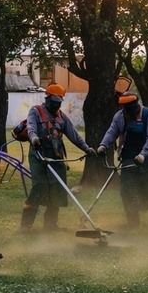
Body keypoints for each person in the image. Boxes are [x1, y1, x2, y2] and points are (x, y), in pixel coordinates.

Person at [22, 83, 95, 230]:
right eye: (54, 103)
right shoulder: (36, 111)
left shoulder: (62, 118)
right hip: (39, 156)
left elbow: (74, 136)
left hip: (56, 156)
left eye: (58, 103)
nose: (56, 106)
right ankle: (26, 225)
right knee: (39, 187)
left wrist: (87, 149)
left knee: (57, 188)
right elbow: (31, 127)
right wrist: (34, 138)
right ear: (47, 98)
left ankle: (51, 224)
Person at [96, 93, 148, 229]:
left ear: (136, 105)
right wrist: (103, 145)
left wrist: (143, 155)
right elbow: (112, 131)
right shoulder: (120, 116)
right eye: (126, 108)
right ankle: (132, 221)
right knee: (128, 189)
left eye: (130, 108)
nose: (128, 111)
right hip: (129, 156)